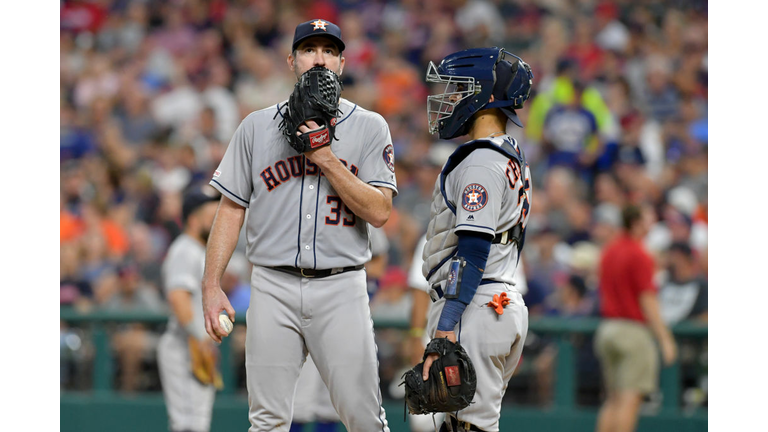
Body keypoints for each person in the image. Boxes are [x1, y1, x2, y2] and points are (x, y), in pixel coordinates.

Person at [201, 19, 396, 432]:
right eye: (309, 49)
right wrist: (211, 284)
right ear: (292, 60)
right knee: (267, 421)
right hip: (273, 285)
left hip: (341, 286)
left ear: (342, 63)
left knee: (364, 418)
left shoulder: (369, 126)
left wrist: (326, 158)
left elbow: (380, 211)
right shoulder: (255, 126)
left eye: (329, 50)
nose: (319, 59)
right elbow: (231, 209)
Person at [419, 47, 534, 432]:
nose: (450, 97)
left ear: (483, 94)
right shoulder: (510, 154)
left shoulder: (482, 161)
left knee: (467, 428)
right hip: (496, 301)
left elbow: (471, 249)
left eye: (460, 88)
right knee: (467, 425)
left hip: (475, 305)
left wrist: (447, 323)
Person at [594, 204, 678, 432]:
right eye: (648, 217)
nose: (652, 221)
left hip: (607, 329)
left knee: (613, 400)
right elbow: (648, 299)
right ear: (637, 222)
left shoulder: (610, 249)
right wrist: (665, 339)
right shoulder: (639, 253)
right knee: (629, 402)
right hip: (632, 333)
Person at [157, 185, 222, 432]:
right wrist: (200, 339)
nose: (217, 218)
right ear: (194, 218)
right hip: (184, 347)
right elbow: (178, 298)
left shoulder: (197, 250)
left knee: (197, 423)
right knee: (188, 424)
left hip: (193, 344)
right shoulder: (185, 249)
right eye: (211, 213)